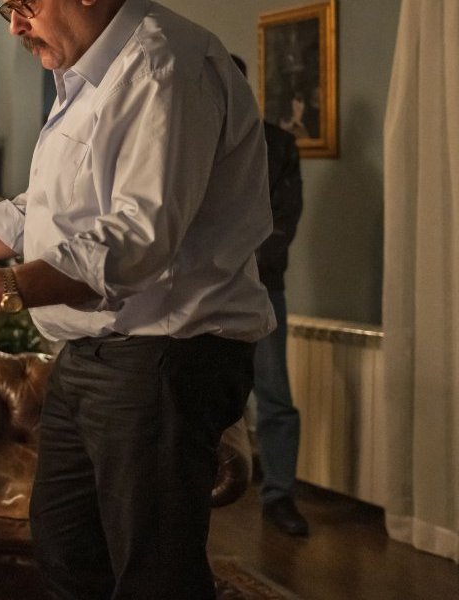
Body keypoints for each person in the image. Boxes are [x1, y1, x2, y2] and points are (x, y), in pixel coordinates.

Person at [0, 1, 275, 598]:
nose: (15, 25)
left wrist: (7, 287)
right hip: (90, 354)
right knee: (64, 548)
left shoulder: (163, 66)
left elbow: (136, 241)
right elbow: (43, 208)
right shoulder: (89, 73)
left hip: (164, 357)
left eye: (24, 4)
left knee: (153, 574)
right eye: (7, 8)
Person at [233, 54, 309, 537]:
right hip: (199, 292)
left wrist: (235, 268)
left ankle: (279, 495)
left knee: (275, 395)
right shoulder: (185, 140)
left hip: (261, 288)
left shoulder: (278, 145)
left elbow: (284, 220)